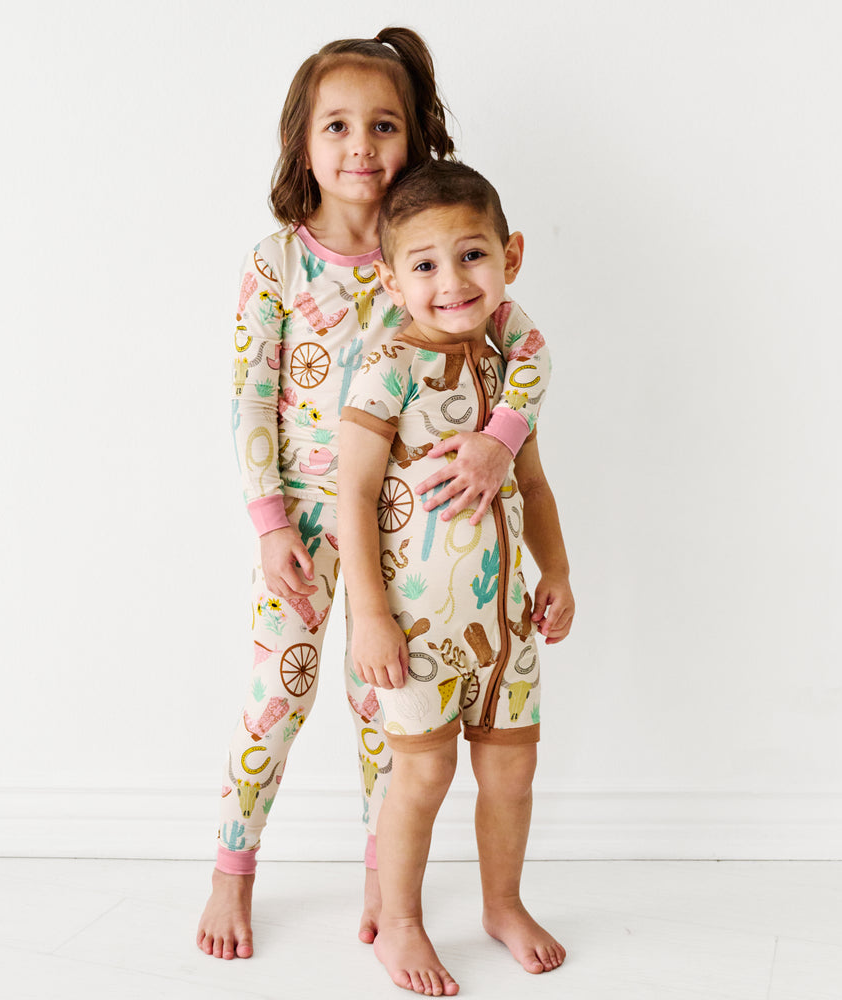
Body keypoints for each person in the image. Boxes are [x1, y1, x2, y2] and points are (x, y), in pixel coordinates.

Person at [197, 29, 553, 961]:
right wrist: (271, 523)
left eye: (384, 125)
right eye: (339, 126)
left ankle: (379, 886)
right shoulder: (276, 263)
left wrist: (498, 442)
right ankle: (233, 868)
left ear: (416, 138)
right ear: (302, 144)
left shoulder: (428, 264)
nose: (362, 146)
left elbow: (524, 354)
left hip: (403, 545)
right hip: (306, 527)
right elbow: (248, 400)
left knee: (385, 711)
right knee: (279, 694)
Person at [338, 159, 574, 996]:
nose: (452, 281)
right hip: (415, 630)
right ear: (391, 277)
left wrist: (558, 572)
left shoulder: (509, 373)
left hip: (506, 627)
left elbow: (533, 483)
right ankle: (399, 919)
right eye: (426, 264)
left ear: (509, 256)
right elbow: (352, 494)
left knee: (512, 772)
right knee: (426, 774)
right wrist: (368, 616)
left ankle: (502, 903)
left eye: (472, 255)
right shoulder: (389, 368)